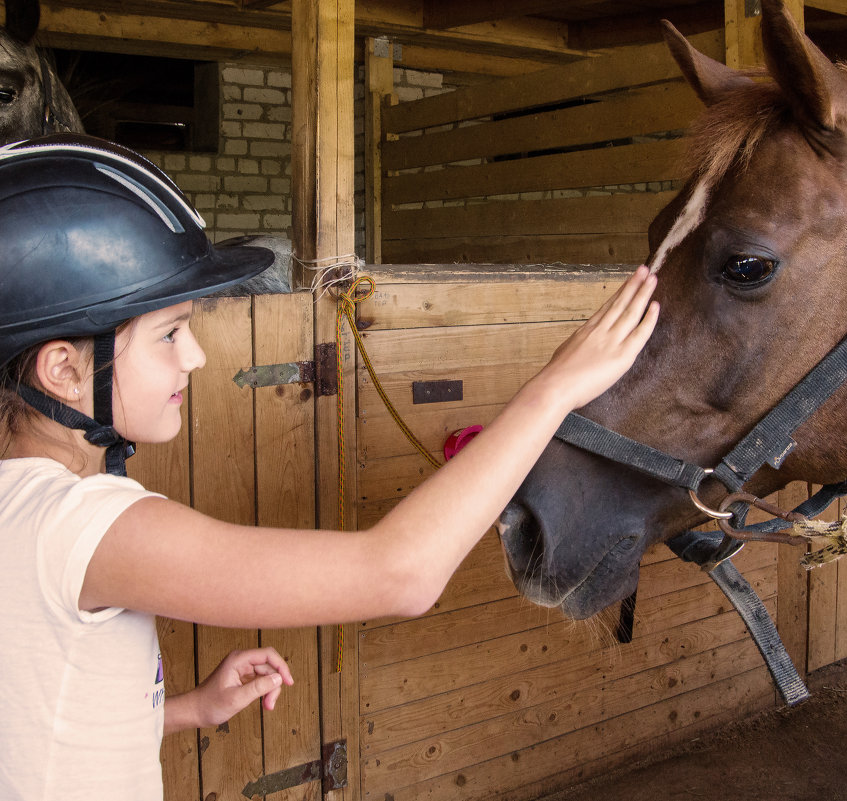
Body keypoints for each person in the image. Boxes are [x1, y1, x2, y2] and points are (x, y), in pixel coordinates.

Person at [0, 133, 659, 801]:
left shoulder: (18, 503)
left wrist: (184, 710)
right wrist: (551, 392)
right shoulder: (89, 524)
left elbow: (31, 714)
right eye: (169, 332)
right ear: (64, 369)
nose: (194, 356)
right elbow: (398, 574)